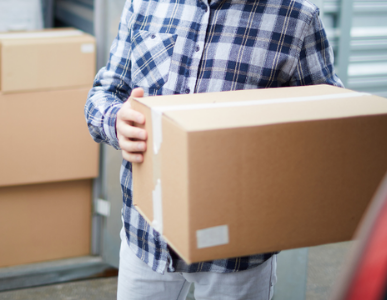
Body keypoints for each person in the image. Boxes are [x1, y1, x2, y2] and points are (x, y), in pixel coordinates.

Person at [85, 0, 343, 298]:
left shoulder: (296, 16)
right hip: (146, 236)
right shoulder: (145, 3)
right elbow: (104, 93)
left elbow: (328, 124)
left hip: (239, 251)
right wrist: (115, 121)